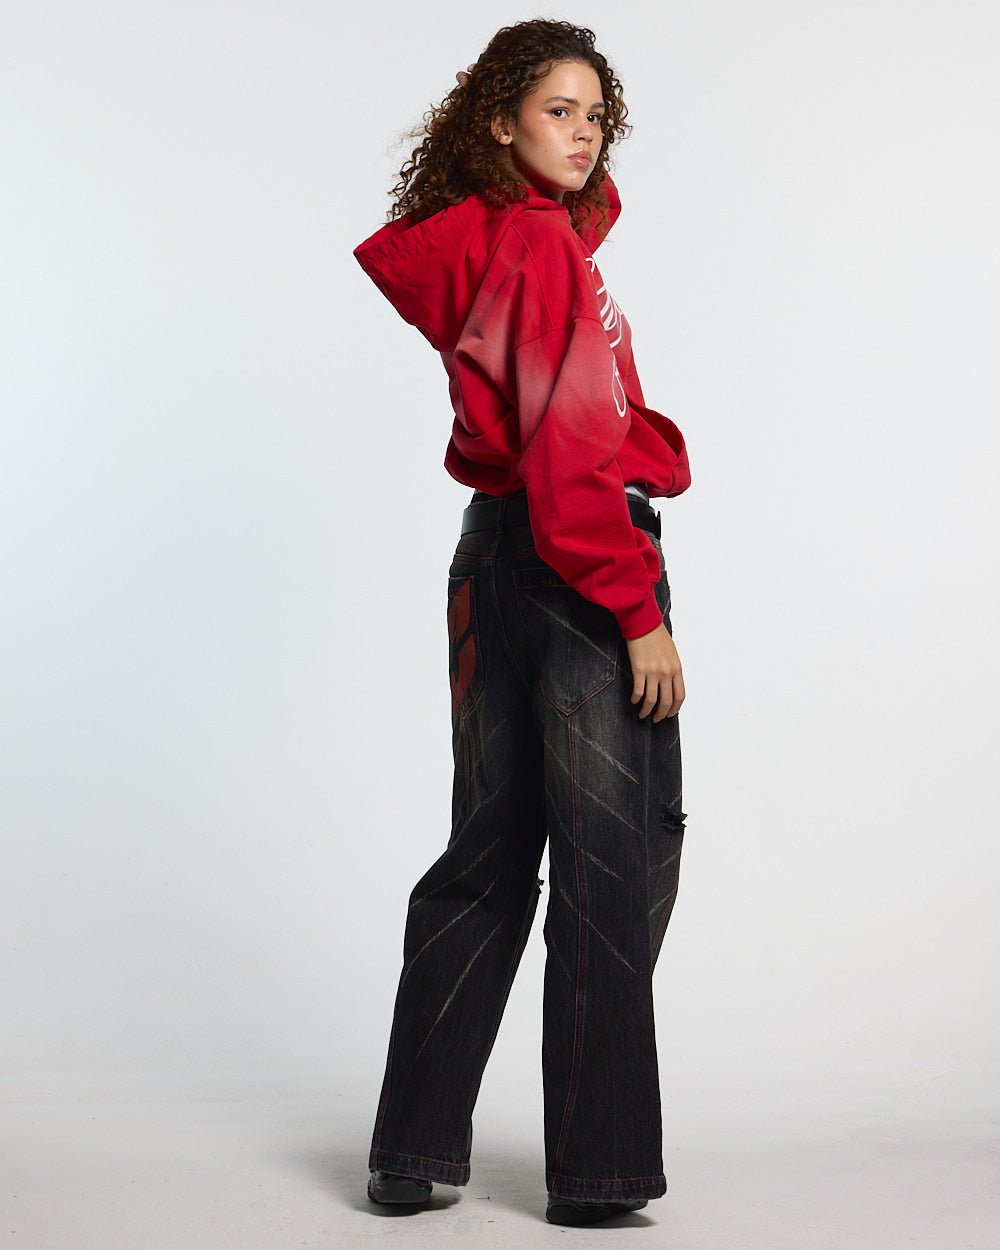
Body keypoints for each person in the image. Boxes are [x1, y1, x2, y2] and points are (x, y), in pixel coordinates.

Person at [352, 18, 691, 1228]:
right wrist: (635, 610)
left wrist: (561, 175)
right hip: (577, 563)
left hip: (490, 560)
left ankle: (411, 1150)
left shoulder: (494, 239)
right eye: (559, 110)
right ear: (498, 121)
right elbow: (570, 446)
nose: (587, 133)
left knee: (487, 852)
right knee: (615, 862)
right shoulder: (540, 247)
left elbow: (574, 230)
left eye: (598, 115)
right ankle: (597, 1170)